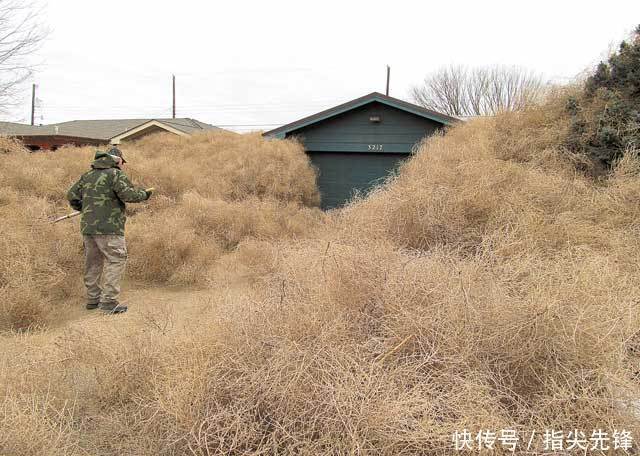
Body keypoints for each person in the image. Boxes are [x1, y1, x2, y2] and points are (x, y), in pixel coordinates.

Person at [66, 146, 152, 314]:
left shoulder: (88, 175)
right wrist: (144, 194)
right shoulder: (115, 174)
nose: (123, 165)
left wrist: (83, 207)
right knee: (116, 259)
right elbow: (129, 196)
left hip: (88, 227)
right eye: (122, 162)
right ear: (118, 160)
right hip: (110, 228)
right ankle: (108, 302)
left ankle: (93, 299)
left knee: (93, 262)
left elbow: (71, 195)